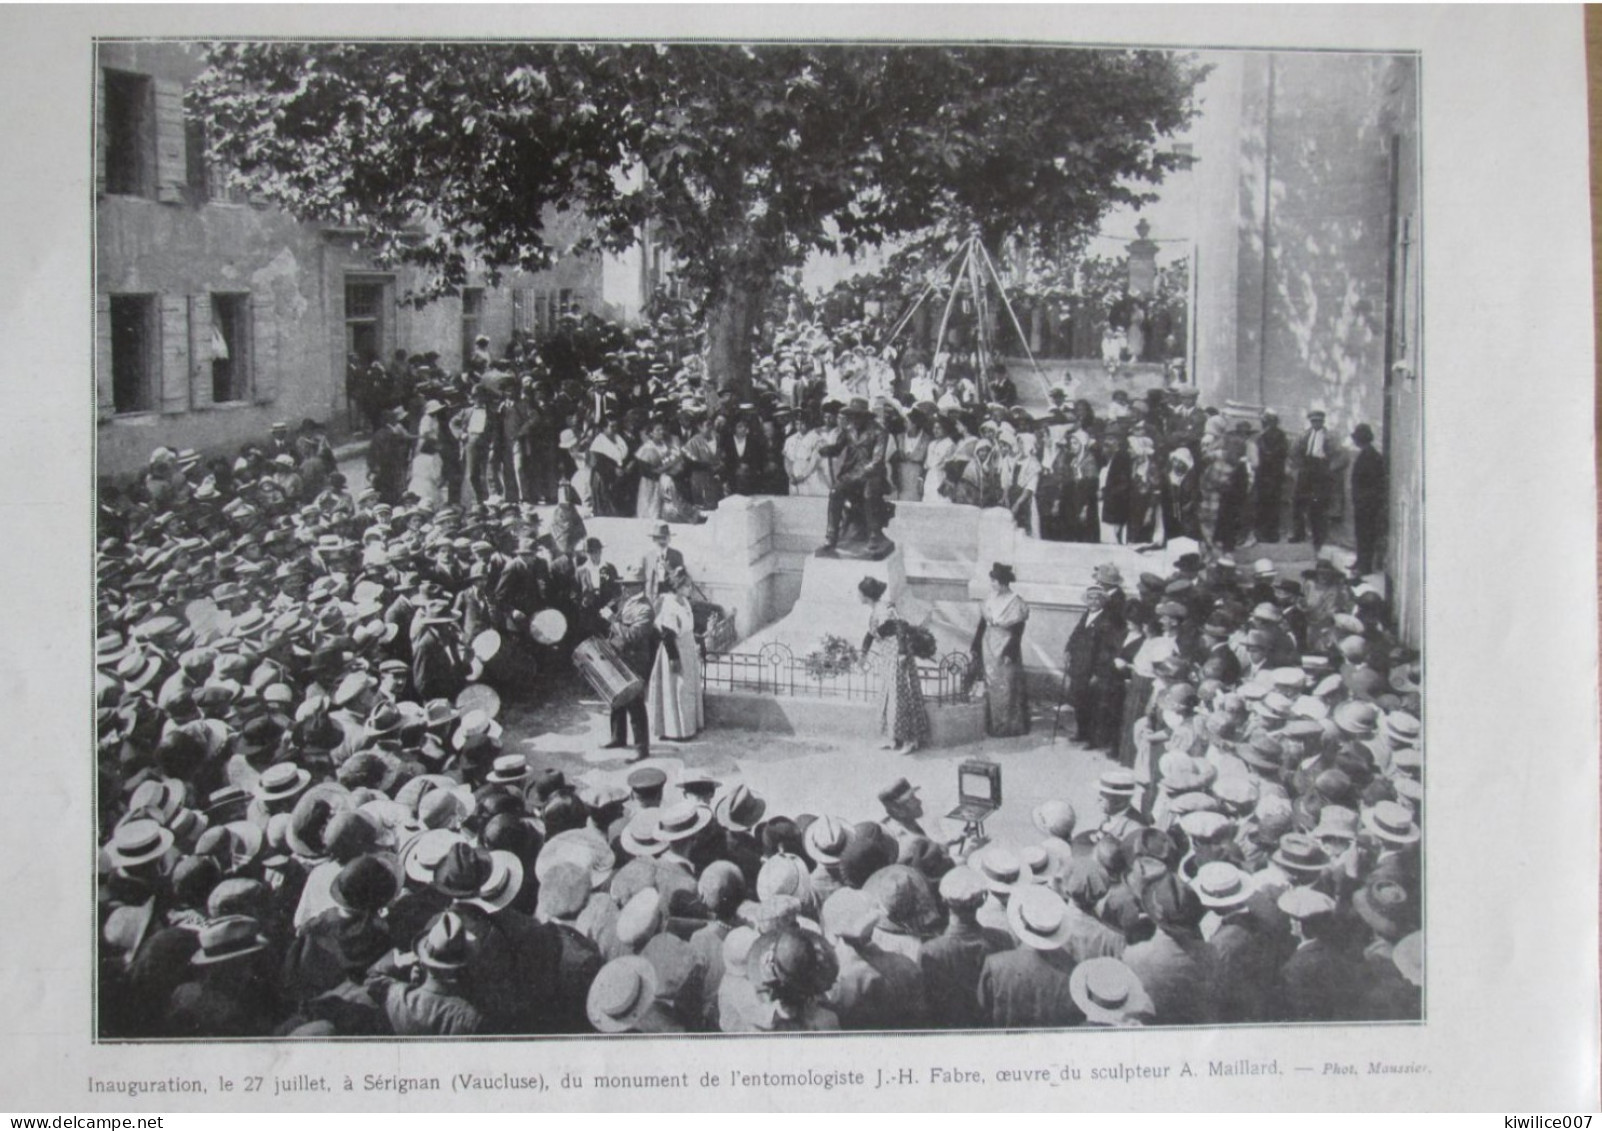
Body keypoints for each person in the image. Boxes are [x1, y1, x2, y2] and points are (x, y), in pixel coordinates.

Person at [858, 576, 929, 754]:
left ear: (866, 595)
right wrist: (863, 654)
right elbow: (870, 635)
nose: (858, 595)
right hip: (888, 657)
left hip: (898, 655)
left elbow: (900, 628)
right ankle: (893, 739)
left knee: (902, 697)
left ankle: (910, 740)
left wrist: (903, 653)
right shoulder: (875, 610)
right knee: (889, 697)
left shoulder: (885, 609)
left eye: (860, 593)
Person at [971, 562, 1030, 737]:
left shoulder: (1016, 602)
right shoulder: (990, 598)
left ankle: (1009, 725)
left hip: (1006, 643)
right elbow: (982, 623)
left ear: (1003, 582)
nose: (992, 584)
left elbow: (1018, 630)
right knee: (991, 683)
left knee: (1006, 684)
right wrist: (975, 644)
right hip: (988, 642)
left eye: (995, 581)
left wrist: (1011, 652)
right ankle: (992, 724)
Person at [645, 569, 703, 743]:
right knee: (677, 689)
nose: (690, 589)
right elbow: (667, 634)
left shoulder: (684, 601)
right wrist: (673, 658)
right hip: (675, 649)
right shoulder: (669, 604)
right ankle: (675, 730)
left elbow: (687, 625)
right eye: (687, 586)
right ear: (677, 587)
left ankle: (688, 727)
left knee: (687, 689)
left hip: (687, 648)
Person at [1064, 584, 1125, 750]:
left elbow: (1107, 649)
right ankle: (1081, 732)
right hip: (1079, 666)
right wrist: (1068, 650)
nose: (1093, 601)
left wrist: (1098, 672)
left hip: (1093, 668)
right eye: (1090, 598)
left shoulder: (1106, 620)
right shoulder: (1086, 615)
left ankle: (1094, 739)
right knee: (1079, 701)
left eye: (1097, 598)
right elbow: (1075, 635)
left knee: (1093, 704)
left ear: (1103, 600)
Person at [1291, 409, 1334, 549]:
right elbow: (1295, 450)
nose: (1316, 423)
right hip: (1306, 468)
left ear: (1323, 421)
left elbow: (1335, 454)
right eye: (1313, 421)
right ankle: (1299, 533)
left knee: (1317, 505)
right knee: (1298, 501)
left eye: (1318, 421)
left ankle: (1318, 538)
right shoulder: (1305, 435)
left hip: (1320, 470)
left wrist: (1328, 469)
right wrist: (1298, 465)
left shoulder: (1329, 436)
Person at [1349, 423, 1386, 575]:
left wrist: (1364, 498)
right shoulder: (1366, 453)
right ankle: (1360, 561)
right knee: (1360, 532)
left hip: (1368, 503)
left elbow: (1373, 481)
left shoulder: (1371, 456)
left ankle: (1365, 566)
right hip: (1362, 502)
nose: (1355, 441)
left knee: (1366, 533)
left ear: (1361, 439)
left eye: (1357, 438)